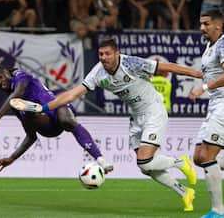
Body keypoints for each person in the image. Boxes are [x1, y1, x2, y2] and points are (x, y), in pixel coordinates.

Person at [16, 38, 203, 212]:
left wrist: (195, 73)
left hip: (153, 110)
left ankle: (180, 162)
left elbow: (166, 66)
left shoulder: (131, 63)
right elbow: (72, 94)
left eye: (107, 54)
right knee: (146, 167)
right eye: (100, 54)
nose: (103, 58)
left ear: (117, 53)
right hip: (136, 116)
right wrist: (45, 107)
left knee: (145, 160)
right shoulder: (98, 72)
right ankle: (185, 192)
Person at [0, 65, 113, 173]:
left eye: (0, 77)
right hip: (47, 127)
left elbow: (17, 92)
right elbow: (31, 136)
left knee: (66, 119)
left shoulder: (21, 76)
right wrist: (12, 158)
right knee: (23, 110)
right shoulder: (14, 105)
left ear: (7, 72)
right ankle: (33, 111)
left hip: (56, 109)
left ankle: (100, 159)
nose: (0, 83)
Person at [189, 9, 224, 218]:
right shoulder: (208, 47)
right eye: (201, 23)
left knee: (208, 155)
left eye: (206, 24)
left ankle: (218, 211)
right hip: (214, 104)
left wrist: (203, 87)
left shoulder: (222, 44)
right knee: (199, 157)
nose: (202, 27)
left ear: (218, 25)